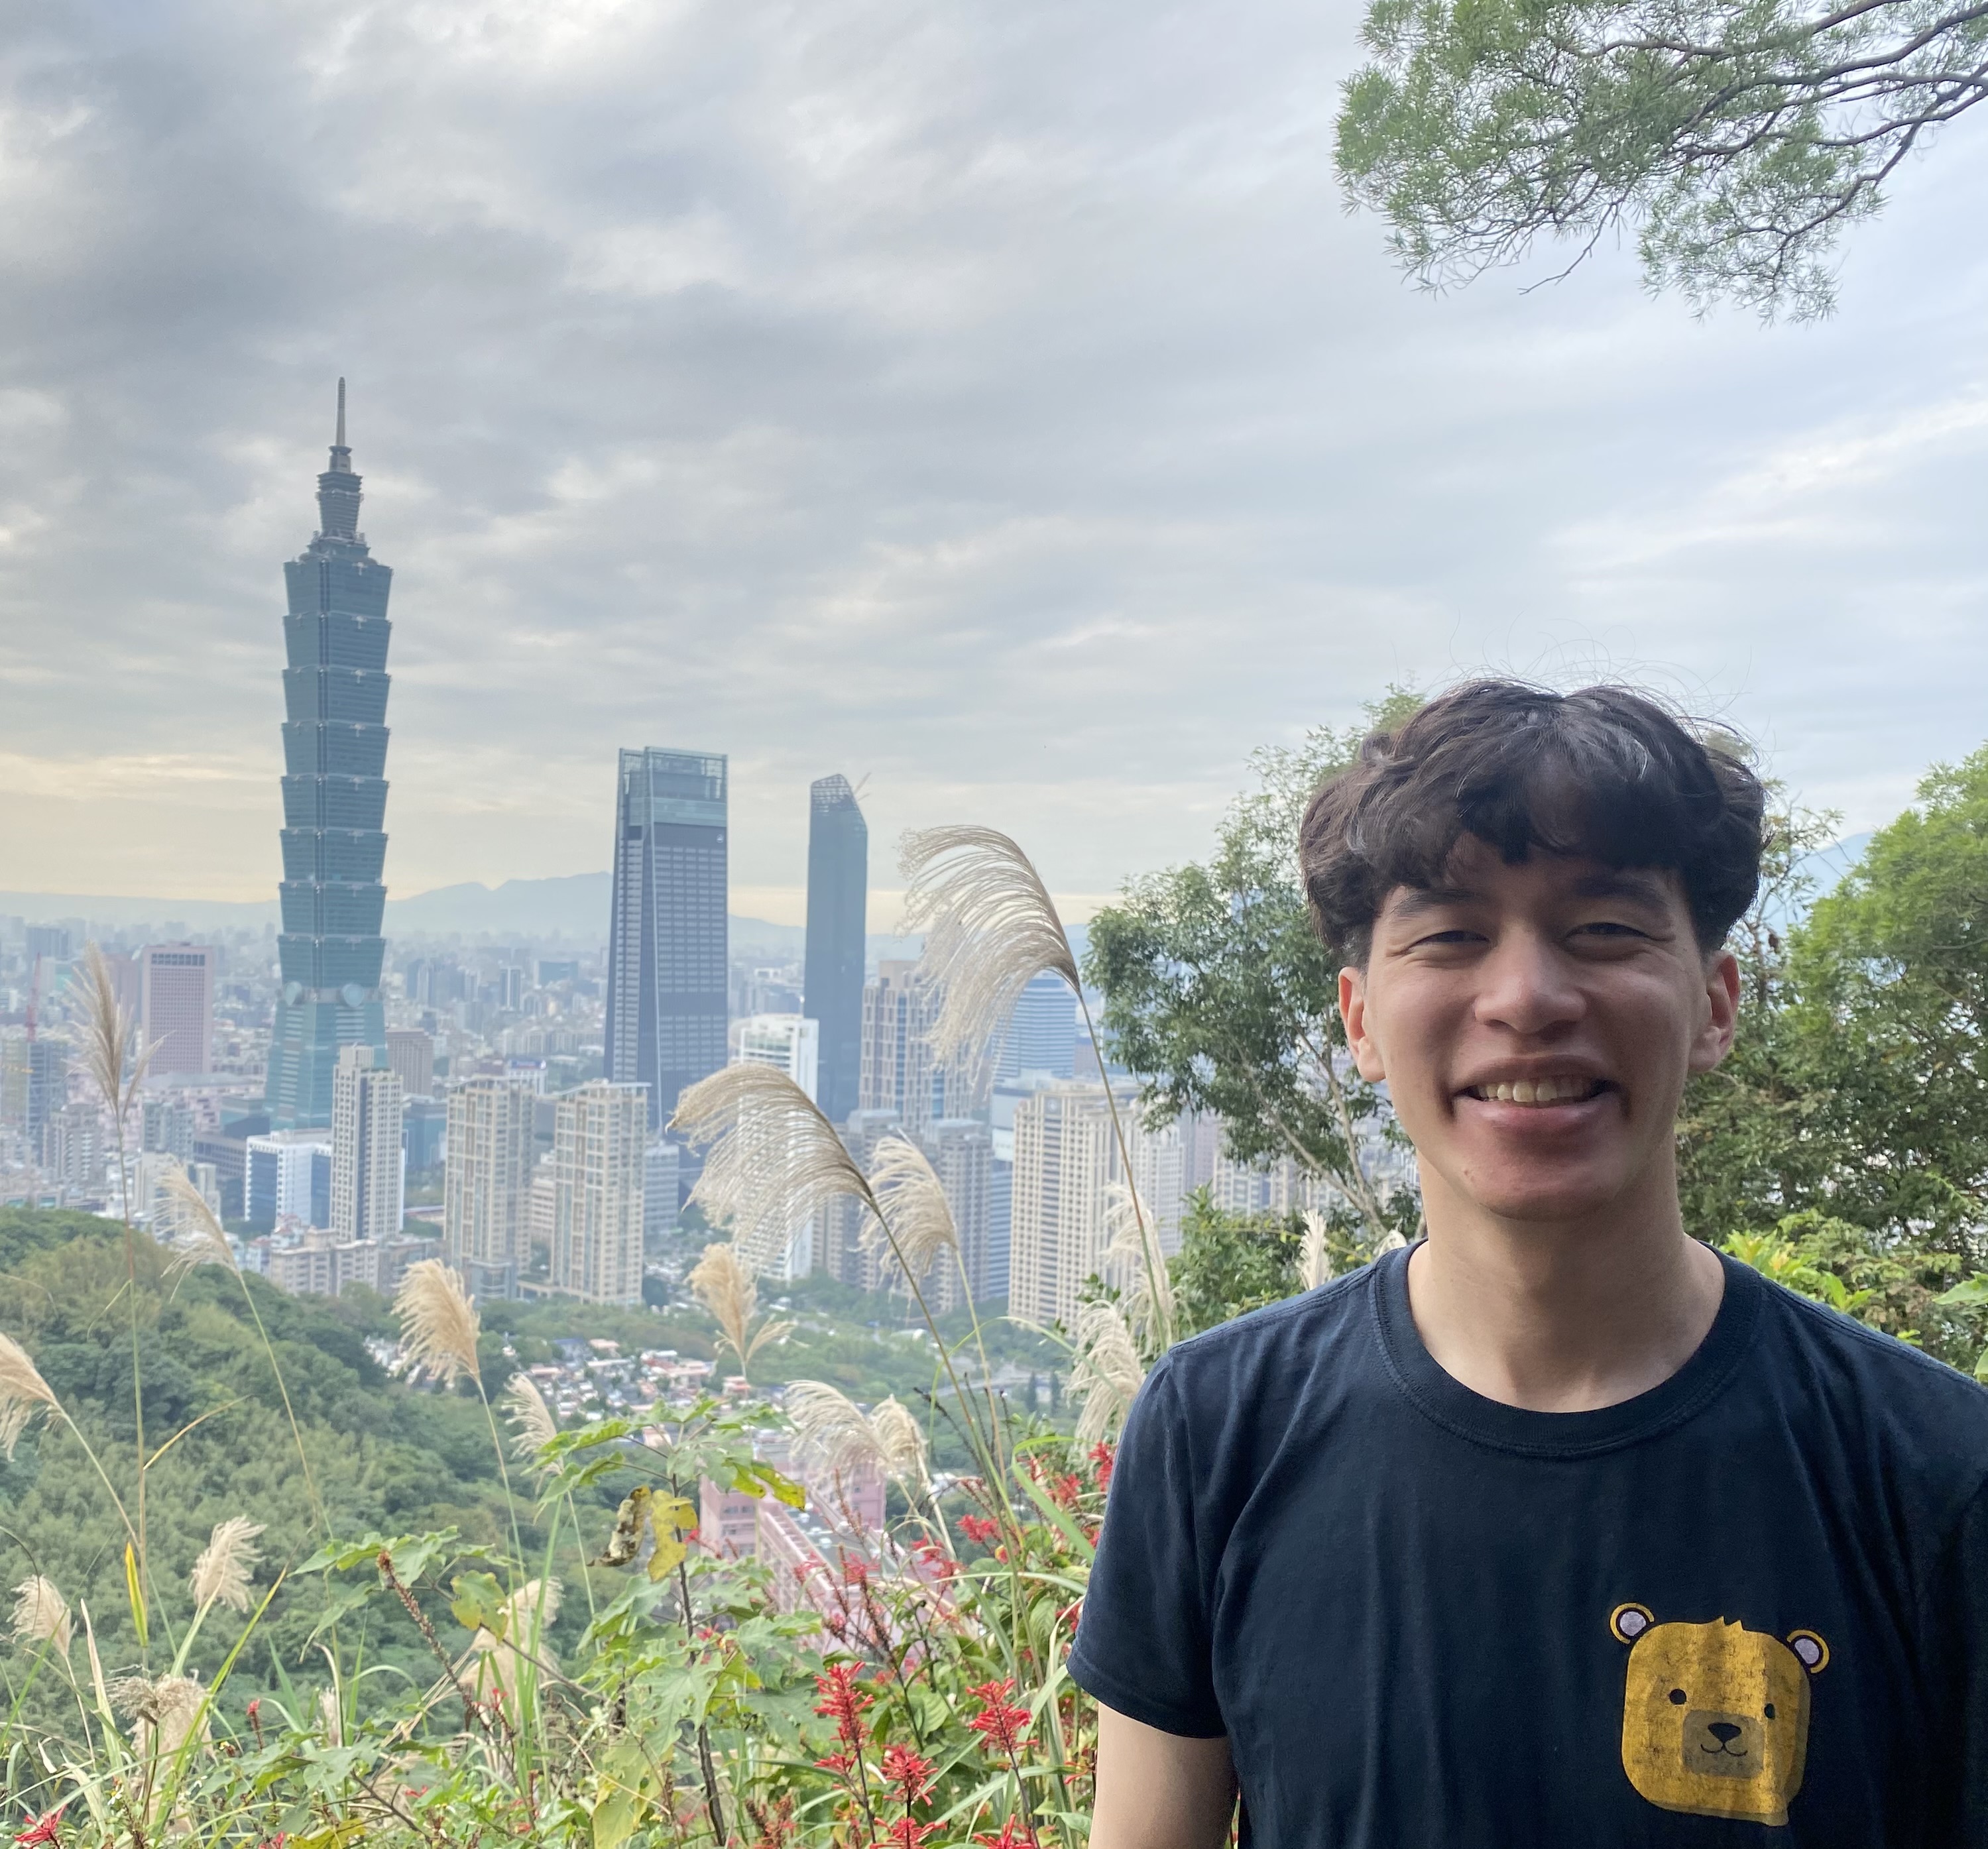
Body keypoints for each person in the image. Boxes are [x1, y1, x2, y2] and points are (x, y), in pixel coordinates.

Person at [1071, 681, 1988, 1847]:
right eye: (1452, 934)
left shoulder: (1933, 1473)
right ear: (1359, 1021)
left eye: (1604, 929)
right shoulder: (1215, 1432)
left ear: (1714, 1003)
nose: (1527, 997)